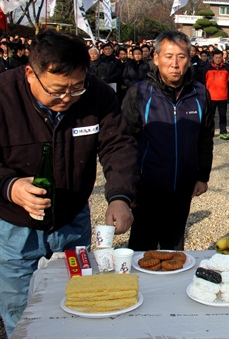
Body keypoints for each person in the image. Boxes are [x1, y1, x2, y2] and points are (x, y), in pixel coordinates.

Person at [0, 30, 138, 336]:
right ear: (29, 73)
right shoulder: (4, 95)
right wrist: (10, 187)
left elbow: (118, 145)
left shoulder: (97, 94)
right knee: (19, 308)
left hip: (72, 219)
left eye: (76, 88)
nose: (67, 98)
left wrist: (119, 196)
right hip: (14, 225)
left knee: (76, 298)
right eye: (57, 90)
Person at [122, 31, 214, 250]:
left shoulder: (200, 94)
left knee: (174, 249)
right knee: (142, 250)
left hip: (183, 187)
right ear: (156, 58)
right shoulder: (140, 94)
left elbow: (205, 137)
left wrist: (202, 176)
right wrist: (128, 188)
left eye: (181, 57)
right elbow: (125, 143)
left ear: (189, 58)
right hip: (147, 187)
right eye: (168, 56)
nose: (175, 64)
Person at [202, 49, 229, 140]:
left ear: (222, 57)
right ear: (213, 58)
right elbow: (203, 81)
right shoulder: (207, 68)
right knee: (210, 116)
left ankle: (223, 132)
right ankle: (209, 132)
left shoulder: (226, 68)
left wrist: (228, 93)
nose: (218, 59)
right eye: (216, 57)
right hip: (211, 97)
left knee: (223, 116)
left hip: (223, 97)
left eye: (219, 57)